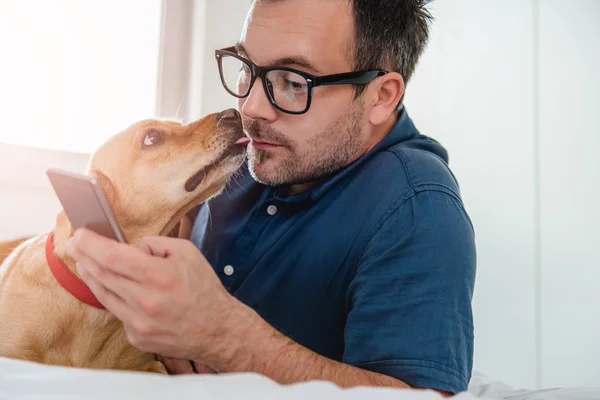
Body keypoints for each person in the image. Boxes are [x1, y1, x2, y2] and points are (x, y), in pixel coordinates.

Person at [66, 0, 476, 396]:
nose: (251, 106)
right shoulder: (271, 148)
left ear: (381, 96)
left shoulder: (418, 207)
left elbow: (418, 398)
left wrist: (226, 339)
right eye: (248, 69)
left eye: (294, 83)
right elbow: (195, 229)